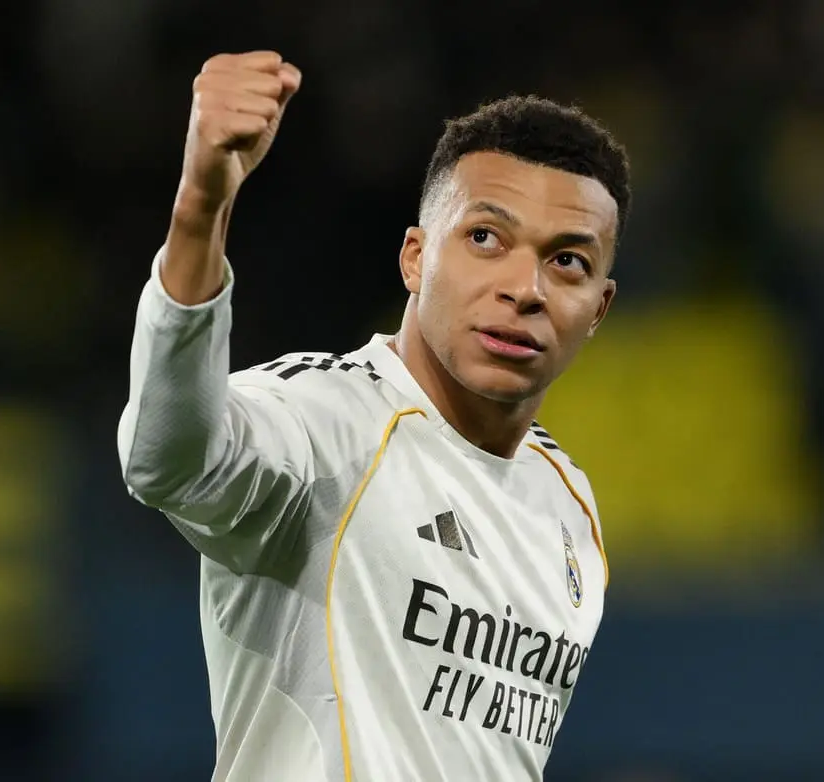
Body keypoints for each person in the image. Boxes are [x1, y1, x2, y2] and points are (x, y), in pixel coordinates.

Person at [118, 49, 631, 782]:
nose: (525, 289)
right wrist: (200, 207)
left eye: (567, 262)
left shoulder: (569, 506)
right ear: (415, 259)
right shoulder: (328, 423)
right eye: (485, 239)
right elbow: (168, 459)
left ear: (598, 309)